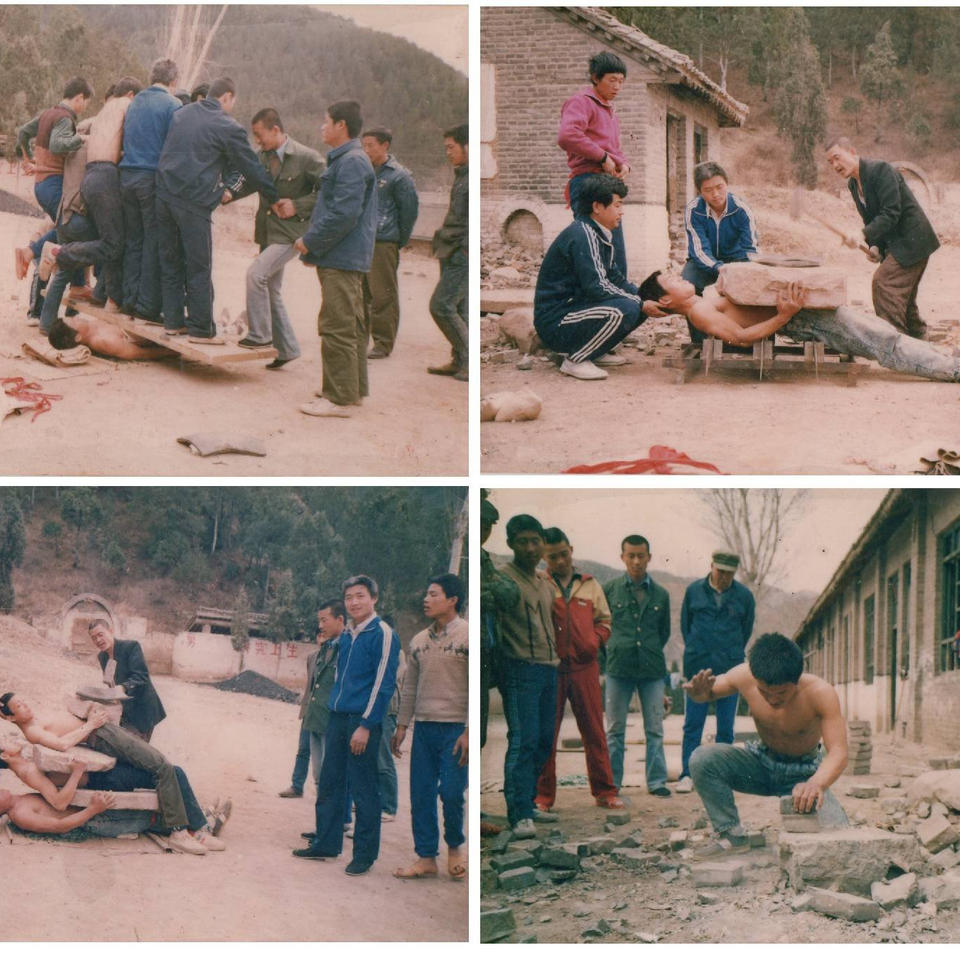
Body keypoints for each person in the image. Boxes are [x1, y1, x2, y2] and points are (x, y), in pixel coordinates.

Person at [638, 270, 960, 382]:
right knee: (883, 343)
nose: (680, 277)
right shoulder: (699, 312)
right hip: (802, 321)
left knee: (883, 333)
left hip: (805, 314)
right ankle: (951, 369)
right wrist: (784, 316)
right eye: (673, 280)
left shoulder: (701, 298)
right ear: (666, 299)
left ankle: (946, 361)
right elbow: (741, 337)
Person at [684, 632, 849, 849]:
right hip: (759, 765)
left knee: (839, 840)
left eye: (781, 693)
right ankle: (730, 834)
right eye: (764, 692)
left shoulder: (820, 693)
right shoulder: (744, 675)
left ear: (796, 680)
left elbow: (838, 751)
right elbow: (708, 692)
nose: (772, 699)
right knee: (702, 758)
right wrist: (699, 695)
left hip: (803, 777)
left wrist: (816, 783)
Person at [0, 693, 206, 853]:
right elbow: (59, 804)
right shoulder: (28, 771)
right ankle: (181, 832)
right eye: (5, 742)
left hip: (100, 765)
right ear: (6, 756)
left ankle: (198, 828)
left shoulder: (27, 755)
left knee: (172, 772)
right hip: (102, 778)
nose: (8, 739)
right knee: (165, 769)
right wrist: (77, 771)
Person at [156, 77, 278, 341]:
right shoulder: (227, 125)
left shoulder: (181, 113)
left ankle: (173, 322)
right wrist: (274, 195)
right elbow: (250, 167)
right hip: (193, 202)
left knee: (171, 262)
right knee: (199, 266)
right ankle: (200, 329)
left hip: (163, 196)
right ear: (227, 97)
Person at [292, 575, 400, 876]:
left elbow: (383, 684)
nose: (354, 602)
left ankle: (364, 855)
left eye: (360, 596)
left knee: (364, 788)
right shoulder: (349, 636)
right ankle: (326, 843)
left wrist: (366, 725)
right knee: (330, 781)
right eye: (349, 597)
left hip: (362, 721)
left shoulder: (382, 634)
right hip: (337, 717)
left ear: (374, 598)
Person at [534, 173, 663, 381]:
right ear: (597, 207)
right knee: (629, 308)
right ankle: (575, 360)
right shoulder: (583, 234)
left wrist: (644, 297)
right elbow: (597, 286)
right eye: (617, 205)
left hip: (575, 312)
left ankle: (594, 351)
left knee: (639, 302)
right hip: (555, 322)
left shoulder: (598, 232)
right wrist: (640, 303)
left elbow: (615, 278)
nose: (621, 211)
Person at [293, 100, 377, 418]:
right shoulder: (350, 159)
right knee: (350, 324)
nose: (322, 127)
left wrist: (310, 241)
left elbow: (343, 214)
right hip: (344, 256)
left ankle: (338, 397)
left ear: (341, 125)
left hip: (342, 258)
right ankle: (351, 390)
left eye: (326, 121)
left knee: (337, 325)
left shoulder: (351, 162)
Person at [535, 528, 623, 813]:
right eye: (553, 557)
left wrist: (592, 642)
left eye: (564, 554)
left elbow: (605, 621)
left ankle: (605, 792)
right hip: (551, 670)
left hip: (585, 668)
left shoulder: (590, 584)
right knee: (547, 734)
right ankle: (543, 797)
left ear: (571, 550)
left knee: (595, 731)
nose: (560, 561)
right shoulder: (540, 583)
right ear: (544, 557)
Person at [0, 741, 227, 851]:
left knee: (159, 799)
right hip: (98, 818)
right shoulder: (21, 814)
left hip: (97, 809)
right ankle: (201, 829)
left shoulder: (20, 798)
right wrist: (93, 809)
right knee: (152, 819)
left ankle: (202, 822)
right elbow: (61, 826)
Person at [43, 76, 143, 312]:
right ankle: (59, 252)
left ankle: (108, 297)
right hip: (105, 176)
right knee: (113, 243)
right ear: (131, 95)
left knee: (111, 238)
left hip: (90, 177)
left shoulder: (104, 111)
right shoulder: (126, 105)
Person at [392, 574, 468, 880]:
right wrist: (402, 725)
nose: (426, 600)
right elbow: (410, 686)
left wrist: (469, 731)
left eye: (434, 594)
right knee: (421, 794)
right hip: (424, 729)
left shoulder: (468, 637)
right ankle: (426, 857)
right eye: (426, 594)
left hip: (455, 729)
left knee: (451, 792)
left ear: (452, 600)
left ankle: (455, 848)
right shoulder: (419, 641)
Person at [826, 136, 939, 340]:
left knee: (884, 284)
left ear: (852, 152)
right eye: (830, 162)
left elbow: (890, 213)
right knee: (904, 300)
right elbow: (870, 218)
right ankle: (921, 345)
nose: (835, 165)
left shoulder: (880, 170)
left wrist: (861, 234)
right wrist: (875, 246)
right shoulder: (853, 185)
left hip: (913, 241)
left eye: (837, 157)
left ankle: (895, 346)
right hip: (898, 245)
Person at [237, 107, 324, 370]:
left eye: (259, 134)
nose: (257, 141)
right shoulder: (261, 156)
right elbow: (249, 182)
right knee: (270, 289)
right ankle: (287, 349)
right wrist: (227, 194)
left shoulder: (307, 158)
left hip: (291, 235)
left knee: (255, 275)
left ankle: (260, 336)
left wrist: (299, 205)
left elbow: (330, 191)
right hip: (268, 232)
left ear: (275, 130)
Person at [496, 514, 558, 840]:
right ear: (510, 544)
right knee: (524, 740)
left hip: (549, 668)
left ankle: (529, 802)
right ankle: (518, 813)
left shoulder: (544, 582)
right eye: (523, 542)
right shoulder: (503, 580)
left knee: (545, 740)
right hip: (521, 669)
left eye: (536, 541)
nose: (531, 548)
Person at [676, 551, 755, 794]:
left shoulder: (744, 596)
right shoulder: (694, 591)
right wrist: (698, 648)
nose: (724, 577)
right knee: (693, 724)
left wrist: (730, 652)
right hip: (698, 668)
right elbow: (686, 626)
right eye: (720, 571)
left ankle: (723, 776)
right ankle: (688, 774)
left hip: (730, 668)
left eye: (729, 573)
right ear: (711, 566)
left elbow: (746, 631)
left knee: (726, 727)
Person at [603, 535, 672, 798]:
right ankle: (612, 784)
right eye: (630, 556)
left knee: (655, 728)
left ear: (649, 557)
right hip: (618, 669)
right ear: (622, 557)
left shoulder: (661, 594)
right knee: (614, 730)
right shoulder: (609, 590)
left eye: (640, 556)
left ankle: (657, 782)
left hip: (651, 670)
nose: (635, 561)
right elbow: (602, 627)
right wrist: (614, 652)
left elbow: (663, 632)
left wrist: (647, 649)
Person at [118, 58, 182, 323]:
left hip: (126, 175)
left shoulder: (135, 102)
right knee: (152, 240)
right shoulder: (173, 105)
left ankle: (128, 299)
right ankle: (146, 305)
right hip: (150, 177)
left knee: (133, 240)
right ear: (174, 81)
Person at [558, 52, 630, 277]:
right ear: (596, 78)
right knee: (592, 250)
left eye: (621, 81)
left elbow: (613, 149)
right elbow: (567, 136)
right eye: (612, 80)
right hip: (588, 183)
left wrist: (623, 164)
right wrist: (602, 157)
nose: (617, 86)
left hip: (607, 184)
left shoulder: (609, 110)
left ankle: (618, 294)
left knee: (614, 251)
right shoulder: (581, 102)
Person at [15, 77, 93, 281]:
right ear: (79, 97)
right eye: (86, 102)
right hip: (53, 184)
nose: (84, 108)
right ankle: (31, 254)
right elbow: (58, 145)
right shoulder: (65, 118)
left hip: (41, 184)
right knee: (74, 229)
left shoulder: (47, 114)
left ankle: (31, 254)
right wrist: (81, 139)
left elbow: (23, 133)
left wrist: (27, 159)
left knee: (66, 229)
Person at [682, 161, 759, 344]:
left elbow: (751, 248)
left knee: (751, 286)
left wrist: (738, 271)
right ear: (700, 191)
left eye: (719, 187)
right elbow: (699, 249)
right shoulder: (694, 210)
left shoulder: (741, 209)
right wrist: (718, 267)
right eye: (708, 190)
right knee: (688, 285)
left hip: (736, 261)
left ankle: (745, 338)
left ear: (727, 184)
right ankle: (700, 342)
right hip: (704, 263)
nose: (715, 194)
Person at [361, 128, 419, 359]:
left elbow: (409, 213)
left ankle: (383, 342)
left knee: (383, 294)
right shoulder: (364, 171)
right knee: (362, 293)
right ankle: (361, 339)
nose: (366, 150)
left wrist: (396, 241)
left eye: (371, 145)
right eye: (364, 145)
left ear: (385, 146)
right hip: (363, 240)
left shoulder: (399, 176)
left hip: (384, 241)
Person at [479, 495, 518, 836]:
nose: (485, 531)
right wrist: (488, 595)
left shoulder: (484, 560)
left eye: (489, 526)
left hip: (490, 654)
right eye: (482, 524)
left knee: (480, 735)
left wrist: (489, 594)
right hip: (472, 655)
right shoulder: (469, 560)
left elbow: (509, 594)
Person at [280, 598, 343, 799]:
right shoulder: (314, 657)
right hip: (310, 711)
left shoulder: (343, 651)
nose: (321, 630)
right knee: (304, 751)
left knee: (327, 763)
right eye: (319, 629)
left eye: (325, 621)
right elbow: (312, 686)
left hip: (327, 715)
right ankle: (297, 785)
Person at [426, 124, 468, 382]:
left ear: (467, 146)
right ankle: (459, 360)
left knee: (441, 306)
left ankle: (469, 362)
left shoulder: (470, 179)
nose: (448, 153)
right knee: (459, 309)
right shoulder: (462, 175)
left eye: (451, 147)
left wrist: (464, 251)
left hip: (461, 252)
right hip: (451, 249)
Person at [87, 618, 166, 742]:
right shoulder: (102, 656)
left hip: (142, 709)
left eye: (100, 635)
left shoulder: (131, 647)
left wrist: (123, 687)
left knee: (136, 747)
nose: (98, 640)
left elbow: (141, 676)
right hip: (124, 711)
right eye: (93, 638)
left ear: (110, 631)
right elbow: (111, 682)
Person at [47, 314, 175, 361]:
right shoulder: (103, 341)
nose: (77, 317)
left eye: (73, 317)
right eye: (75, 321)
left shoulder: (90, 325)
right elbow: (138, 354)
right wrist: (168, 352)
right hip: (150, 323)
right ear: (78, 337)